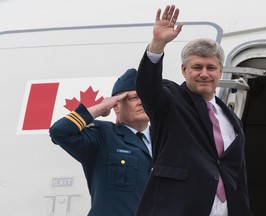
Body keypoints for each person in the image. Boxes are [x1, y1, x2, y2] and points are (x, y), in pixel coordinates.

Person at [135, 5, 252, 216]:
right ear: (184, 70)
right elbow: (147, 87)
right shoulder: (170, 101)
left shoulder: (230, 117)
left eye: (211, 68)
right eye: (197, 67)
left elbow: (237, 176)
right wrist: (157, 45)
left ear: (221, 71)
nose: (204, 74)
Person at [49, 68, 153, 216]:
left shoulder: (165, 139)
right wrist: (101, 108)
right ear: (116, 105)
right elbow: (60, 132)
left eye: (145, 96)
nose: (141, 102)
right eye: (133, 98)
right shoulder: (103, 135)